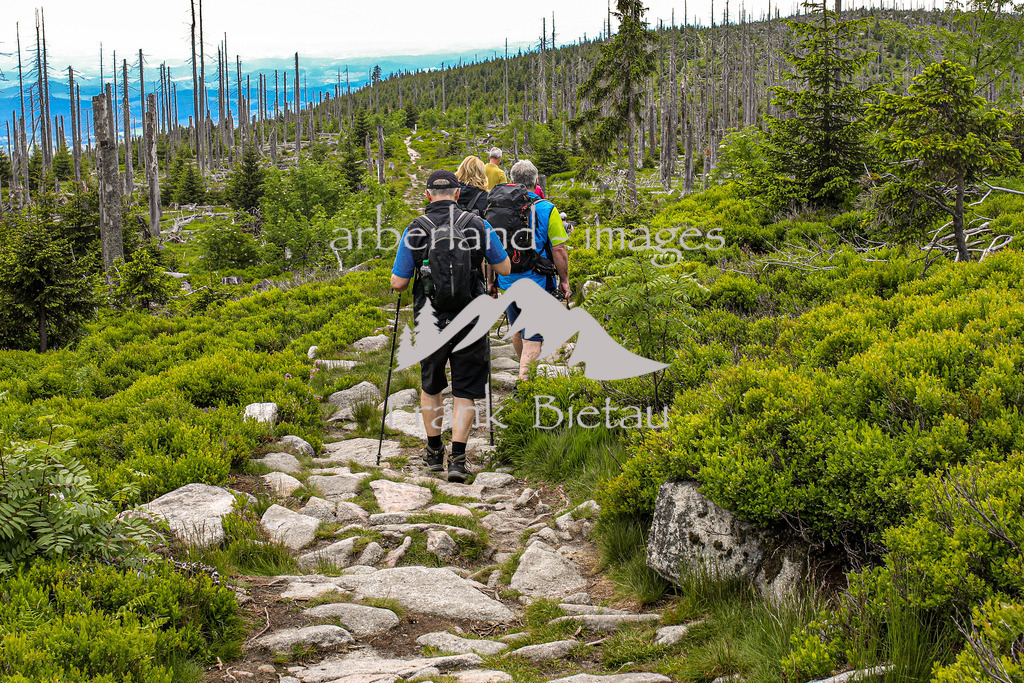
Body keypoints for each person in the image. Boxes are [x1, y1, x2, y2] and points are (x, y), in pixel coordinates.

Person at [390, 170, 511, 482]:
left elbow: (399, 283)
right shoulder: (477, 224)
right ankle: (458, 459)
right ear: (458, 194)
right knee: (465, 388)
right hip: (471, 315)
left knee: (431, 385)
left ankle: (433, 453)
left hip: (430, 320)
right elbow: (505, 266)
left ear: (428, 195)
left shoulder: (415, 229)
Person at [494, 159, 571, 383]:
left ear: (511, 181)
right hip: (536, 281)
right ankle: (525, 386)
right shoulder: (547, 208)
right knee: (533, 339)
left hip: (507, 279)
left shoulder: (499, 208)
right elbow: (559, 248)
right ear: (536, 181)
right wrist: (564, 280)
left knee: (518, 331)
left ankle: (523, 370)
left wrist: (491, 282)